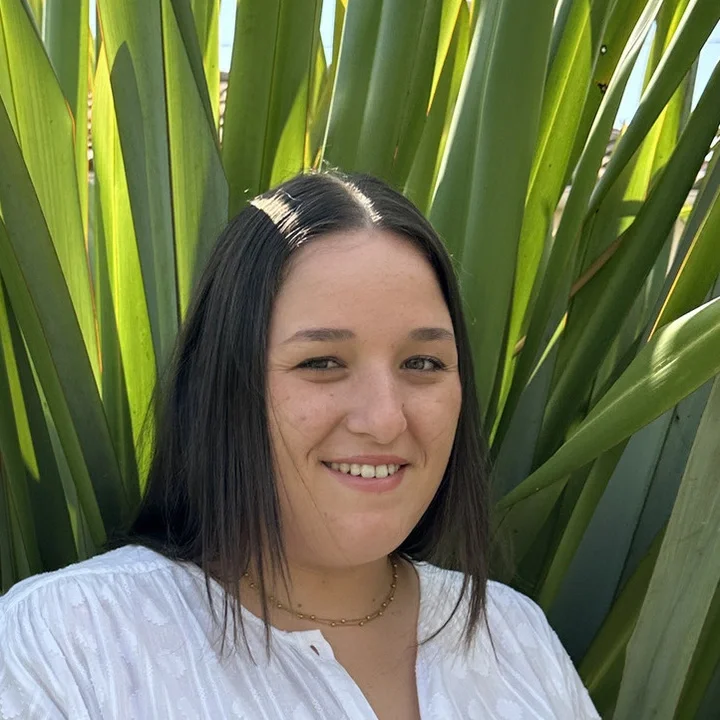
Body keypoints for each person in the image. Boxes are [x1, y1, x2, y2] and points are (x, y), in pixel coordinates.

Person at [0, 171, 600, 719]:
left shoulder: (512, 637)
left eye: (422, 362)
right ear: (222, 387)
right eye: (322, 362)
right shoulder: (69, 646)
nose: (384, 419)